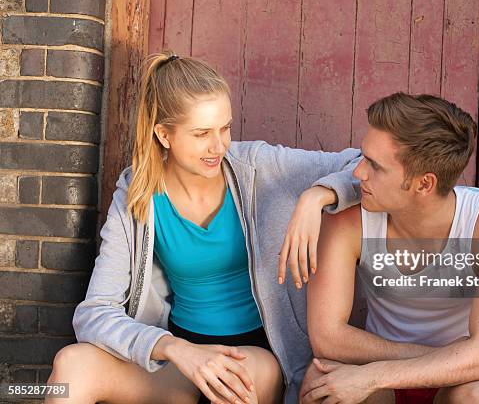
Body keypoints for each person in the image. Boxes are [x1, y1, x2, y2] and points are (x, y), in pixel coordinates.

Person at [45, 53, 361, 404]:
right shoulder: (137, 194)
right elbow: (94, 313)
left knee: (236, 382)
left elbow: (363, 162)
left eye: (224, 127)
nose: (218, 146)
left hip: (256, 360)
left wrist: (317, 196)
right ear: (164, 134)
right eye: (201, 134)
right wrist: (175, 348)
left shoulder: (256, 166)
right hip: (183, 357)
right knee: (72, 364)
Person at [301, 93, 479, 404]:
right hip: (395, 374)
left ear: (424, 184)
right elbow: (327, 338)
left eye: (375, 167)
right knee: (320, 388)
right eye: (363, 158)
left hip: (456, 381)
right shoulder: (349, 221)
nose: (357, 173)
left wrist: (374, 375)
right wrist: (435, 359)